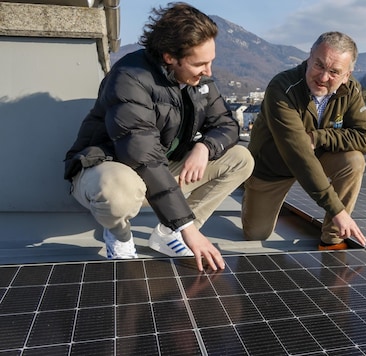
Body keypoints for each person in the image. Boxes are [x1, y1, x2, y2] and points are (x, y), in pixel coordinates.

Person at [63, 2, 254, 271]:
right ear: (169, 57)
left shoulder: (199, 80)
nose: (209, 71)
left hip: (157, 169)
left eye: (211, 61)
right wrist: (190, 230)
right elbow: (143, 156)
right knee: (117, 193)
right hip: (110, 168)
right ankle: (119, 236)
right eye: (200, 63)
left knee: (240, 158)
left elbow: (227, 125)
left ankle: (167, 234)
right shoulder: (130, 78)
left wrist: (205, 147)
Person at [242, 31, 366, 250]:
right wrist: (338, 211)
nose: (323, 77)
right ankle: (249, 190)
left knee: (354, 162)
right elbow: (299, 155)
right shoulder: (282, 88)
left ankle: (332, 239)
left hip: (318, 156)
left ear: (347, 75)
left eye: (334, 71)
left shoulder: (350, 90)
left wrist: (318, 136)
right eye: (319, 65)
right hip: (273, 166)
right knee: (256, 234)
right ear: (309, 57)